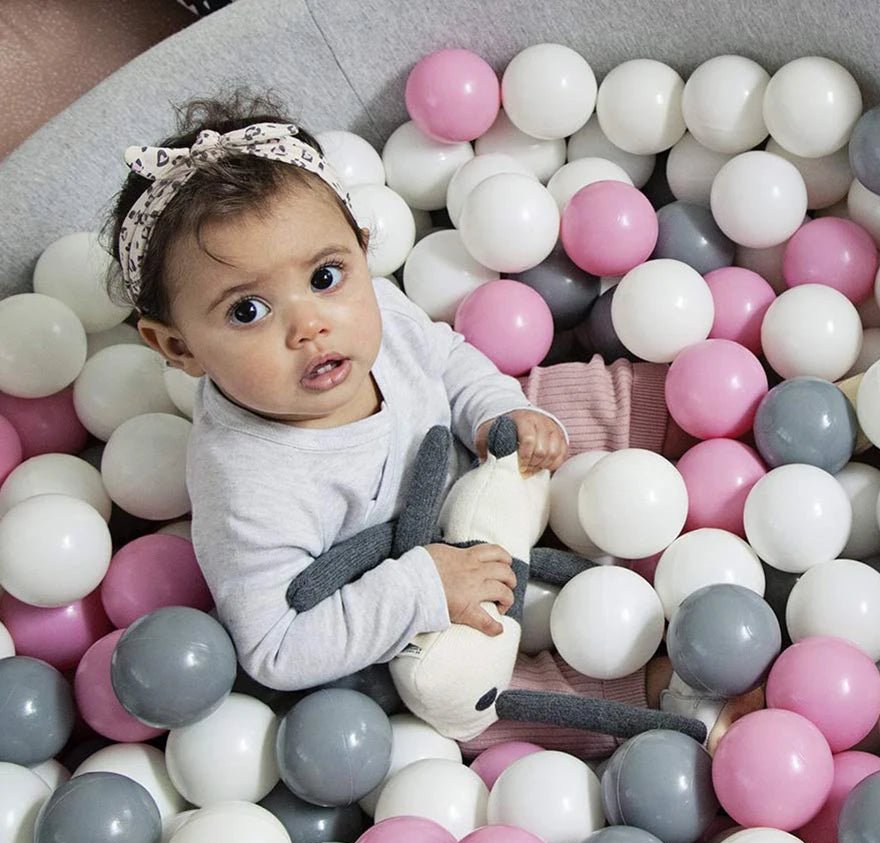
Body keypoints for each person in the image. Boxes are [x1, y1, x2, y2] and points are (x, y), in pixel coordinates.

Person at [103, 88, 753, 759]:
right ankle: (655, 686)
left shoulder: (369, 306)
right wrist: (420, 588)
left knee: (559, 399)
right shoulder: (247, 486)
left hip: (477, 471)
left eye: (325, 274)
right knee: (462, 698)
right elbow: (274, 646)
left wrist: (495, 410)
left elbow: (443, 356)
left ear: (360, 250)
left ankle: (714, 425)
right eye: (248, 311)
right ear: (178, 348)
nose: (309, 324)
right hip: (399, 586)